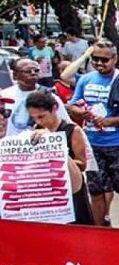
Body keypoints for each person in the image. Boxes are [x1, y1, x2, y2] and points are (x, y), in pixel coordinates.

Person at [67, 39, 119, 228]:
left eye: (105, 59)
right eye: (95, 59)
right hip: (93, 145)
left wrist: (111, 121)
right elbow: (72, 105)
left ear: (114, 59)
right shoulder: (85, 80)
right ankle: (99, 229)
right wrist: (81, 112)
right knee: (96, 190)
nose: (100, 63)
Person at [24, 91, 93, 225]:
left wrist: (57, 152)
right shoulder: (36, 129)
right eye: (34, 118)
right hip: (48, 188)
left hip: (71, 188)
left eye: (42, 116)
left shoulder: (73, 130)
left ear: (54, 109)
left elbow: (83, 164)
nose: (39, 121)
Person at [3, 58, 71, 137]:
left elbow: (66, 125)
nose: (33, 73)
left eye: (36, 70)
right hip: (10, 146)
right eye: (27, 71)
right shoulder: (4, 96)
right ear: (15, 75)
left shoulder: (49, 96)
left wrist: (47, 131)